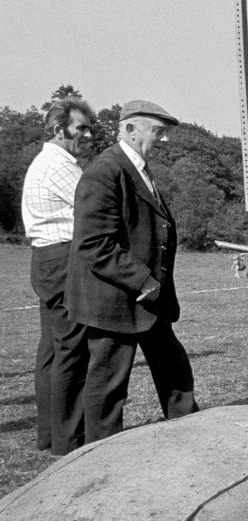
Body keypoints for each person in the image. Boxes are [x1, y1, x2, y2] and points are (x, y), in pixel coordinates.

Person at [65, 100, 199, 443]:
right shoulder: (105, 171)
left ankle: (194, 440)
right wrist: (142, 280)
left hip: (147, 302)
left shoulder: (137, 168)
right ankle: (100, 458)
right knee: (108, 389)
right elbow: (93, 244)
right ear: (129, 128)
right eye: (158, 132)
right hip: (116, 302)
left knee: (175, 373)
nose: (164, 140)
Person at [21, 97, 94, 454]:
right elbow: (93, 207)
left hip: (46, 259)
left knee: (51, 349)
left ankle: (50, 435)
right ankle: (69, 440)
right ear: (57, 130)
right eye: (81, 127)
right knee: (72, 349)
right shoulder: (60, 164)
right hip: (63, 258)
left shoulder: (43, 162)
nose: (88, 134)